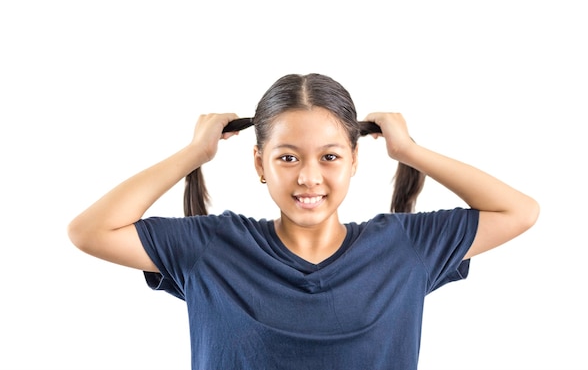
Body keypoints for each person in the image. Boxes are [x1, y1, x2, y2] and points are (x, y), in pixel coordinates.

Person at [68, 73, 539, 370]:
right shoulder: (210, 246)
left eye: (330, 156)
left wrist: (409, 151)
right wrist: (195, 153)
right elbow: (89, 230)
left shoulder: (406, 247)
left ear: (355, 160)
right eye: (288, 157)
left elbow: (519, 211)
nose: (309, 177)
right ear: (259, 164)